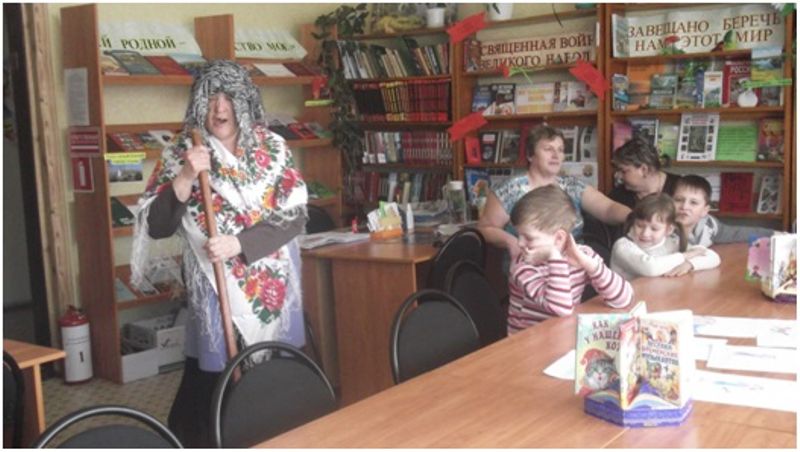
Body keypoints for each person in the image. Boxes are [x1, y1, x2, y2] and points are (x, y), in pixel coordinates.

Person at [130, 61, 308, 447]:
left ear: (246, 101)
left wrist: (240, 244)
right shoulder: (181, 151)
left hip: (272, 280)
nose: (220, 107)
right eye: (211, 97)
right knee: (214, 379)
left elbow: (294, 215)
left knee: (277, 373)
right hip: (213, 285)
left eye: (229, 97)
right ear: (198, 103)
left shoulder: (272, 147)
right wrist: (186, 176)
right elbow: (156, 225)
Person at [478, 125, 630, 266]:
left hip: (574, 266)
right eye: (548, 149)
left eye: (560, 150)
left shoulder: (572, 186)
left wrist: (635, 217)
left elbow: (608, 208)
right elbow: (485, 228)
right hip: (530, 267)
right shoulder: (510, 189)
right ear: (530, 155)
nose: (556, 155)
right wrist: (511, 242)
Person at [506, 185, 632, 334]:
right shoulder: (522, 266)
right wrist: (554, 256)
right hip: (527, 341)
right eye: (518, 235)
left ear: (559, 238)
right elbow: (560, 309)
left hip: (562, 334)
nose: (520, 243)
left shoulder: (582, 255)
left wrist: (590, 265)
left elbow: (623, 298)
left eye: (528, 237)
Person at [611, 193, 720, 281]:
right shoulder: (623, 246)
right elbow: (650, 268)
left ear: (669, 230)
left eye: (654, 229)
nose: (645, 233)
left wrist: (690, 264)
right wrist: (684, 256)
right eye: (640, 226)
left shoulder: (672, 242)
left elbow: (713, 257)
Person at [672, 175, 774, 247]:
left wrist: (773, 234)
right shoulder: (664, 228)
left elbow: (736, 233)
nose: (684, 207)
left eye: (693, 203)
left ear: (705, 211)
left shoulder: (710, 226)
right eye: (678, 200)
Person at [610, 138, 681, 209]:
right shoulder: (617, 196)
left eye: (623, 171)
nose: (617, 176)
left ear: (644, 170)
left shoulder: (682, 189)